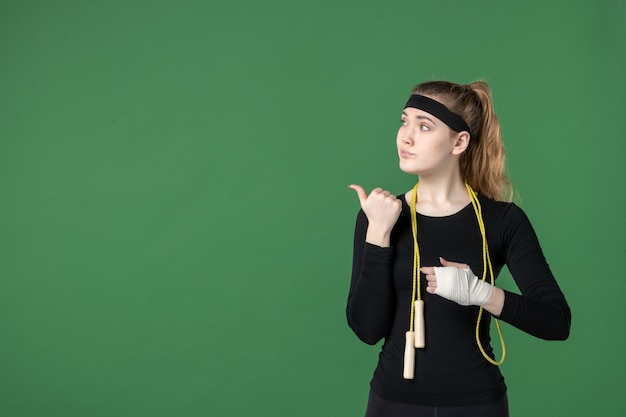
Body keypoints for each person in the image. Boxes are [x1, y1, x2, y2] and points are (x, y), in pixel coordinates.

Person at [347, 80, 571, 417]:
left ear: (459, 141)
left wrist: (481, 293)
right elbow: (366, 330)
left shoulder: (503, 220)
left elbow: (557, 322)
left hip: (478, 403)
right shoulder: (379, 216)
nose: (406, 136)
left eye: (424, 126)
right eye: (404, 121)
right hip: (393, 402)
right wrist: (378, 234)